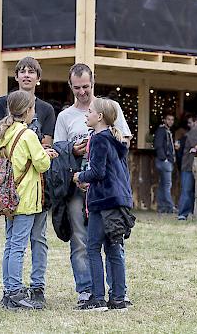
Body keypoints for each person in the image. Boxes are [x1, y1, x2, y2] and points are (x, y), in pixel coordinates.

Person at [53, 64, 131, 308]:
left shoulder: (108, 108)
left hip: (100, 190)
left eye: (86, 86)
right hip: (80, 190)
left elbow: (123, 141)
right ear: (71, 86)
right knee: (81, 240)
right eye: (77, 88)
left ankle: (115, 293)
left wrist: (89, 167)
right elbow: (57, 149)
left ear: (93, 83)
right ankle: (87, 290)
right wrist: (73, 151)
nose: (82, 92)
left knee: (108, 243)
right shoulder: (65, 116)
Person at [0, 57, 55, 309]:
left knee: (10, 244)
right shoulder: (28, 133)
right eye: (22, 72)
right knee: (19, 245)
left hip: (7, 194)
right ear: (28, 111)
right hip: (27, 197)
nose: (27, 75)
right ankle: (16, 292)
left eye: (32, 72)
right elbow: (42, 163)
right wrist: (44, 153)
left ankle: (8, 290)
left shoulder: (3, 133)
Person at [74, 98, 133, 311]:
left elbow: (97, 172)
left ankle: (98, 298)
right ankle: (118, 298)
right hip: (118, 200)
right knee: (113, 248)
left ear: (99, 117)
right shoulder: (114, 140)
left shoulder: (99, 139)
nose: (86, 114)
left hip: (103, 200)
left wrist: (80, 175)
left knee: (92, 248)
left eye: (89, 111)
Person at [153, 113, 176, 213]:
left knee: (163, 184)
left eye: (172, 120)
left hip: (165, 161)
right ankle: (170, 206)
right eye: (168, 119)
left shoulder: (167, 131)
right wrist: (164, 159)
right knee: (167, 185)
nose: (170, 121)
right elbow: (158, 145)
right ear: (164, 120)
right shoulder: (162, 130)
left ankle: (162, 207)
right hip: (164, 162)